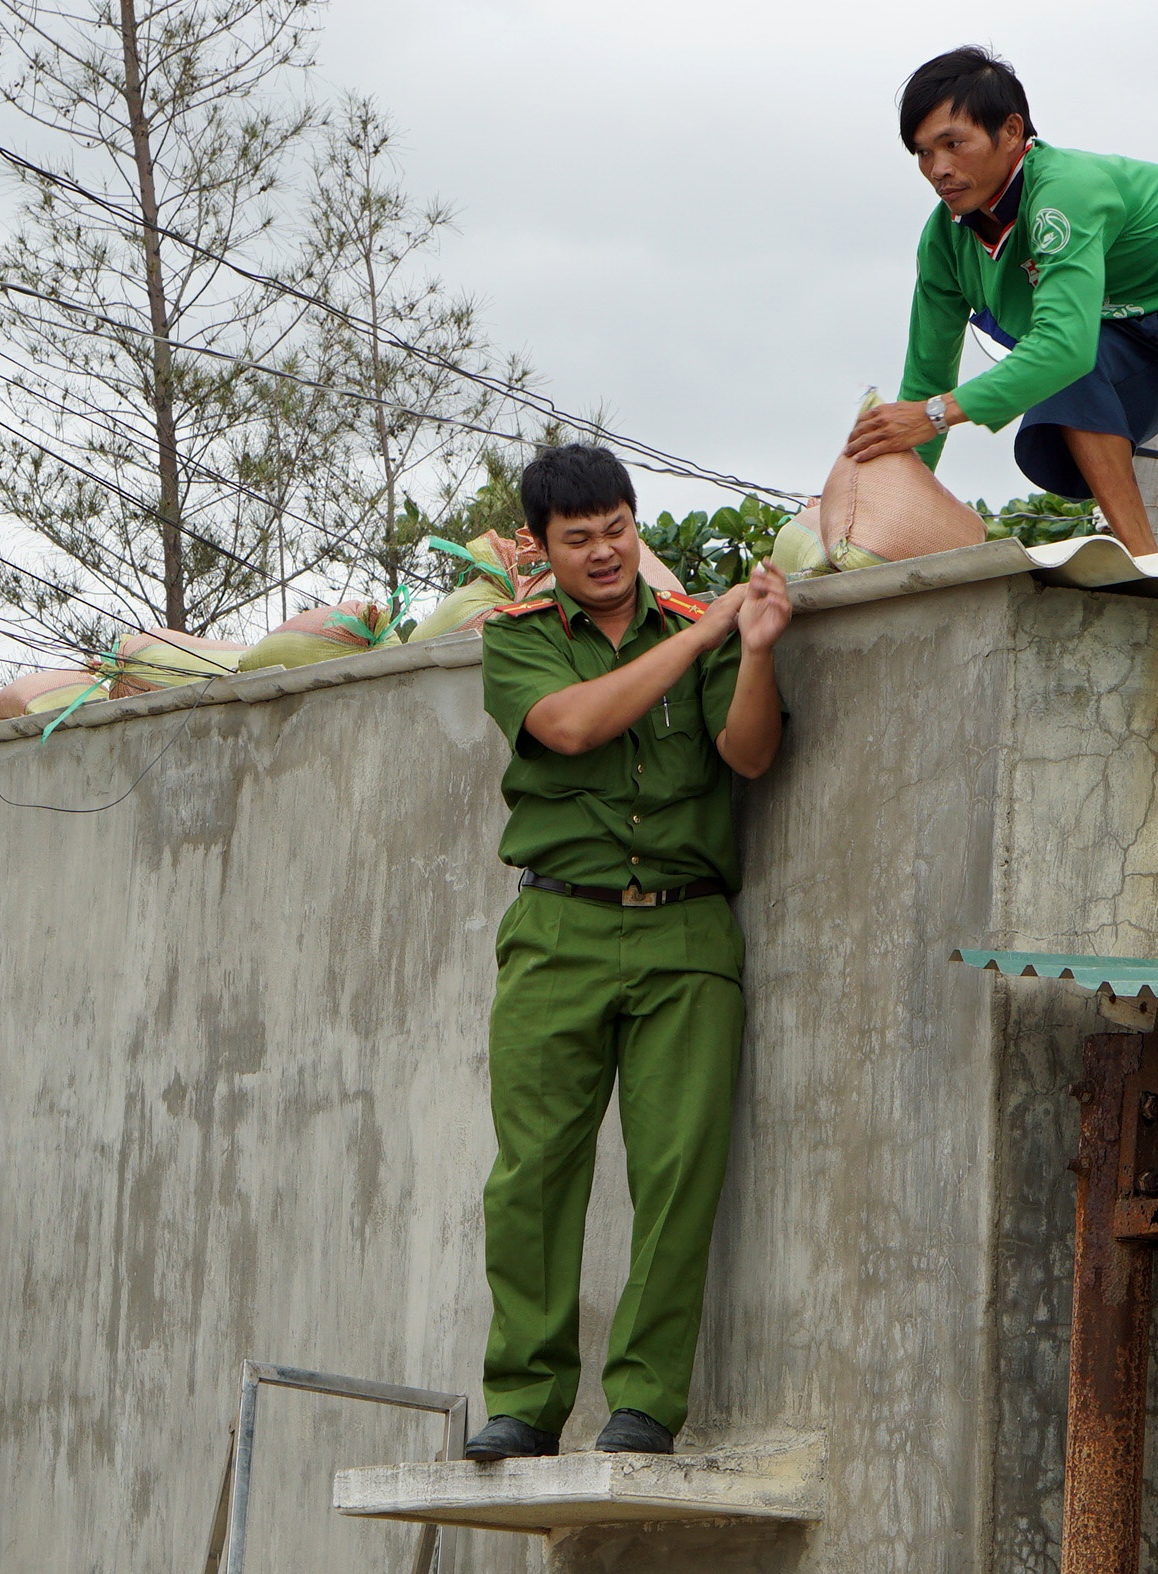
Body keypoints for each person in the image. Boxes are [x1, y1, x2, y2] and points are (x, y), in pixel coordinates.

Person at [461, 443, 792, 1462]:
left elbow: (748, 753)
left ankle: (644, 1400)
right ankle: (523, 1397)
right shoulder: (517, 641)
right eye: (579, 538)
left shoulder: (698, 628)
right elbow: (570, 725)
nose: (604, 552)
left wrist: (758, 646)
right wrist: (701, 637)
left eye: (617, 528)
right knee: (534, 1173)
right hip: (557, 930)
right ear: (539, 546)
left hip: (686, 929)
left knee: (678, 1168)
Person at [844, 46, 1158, 568]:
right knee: (1065, 376)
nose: (939, 169)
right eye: (923, 154)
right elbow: (924, 384)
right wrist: (889, 510)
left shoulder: (1062, 192)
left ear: (1010, 131)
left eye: (952, 144)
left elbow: (1054, 349)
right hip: (1133, 323)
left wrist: (936, 415)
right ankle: (1144, 561)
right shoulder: (943, 242)